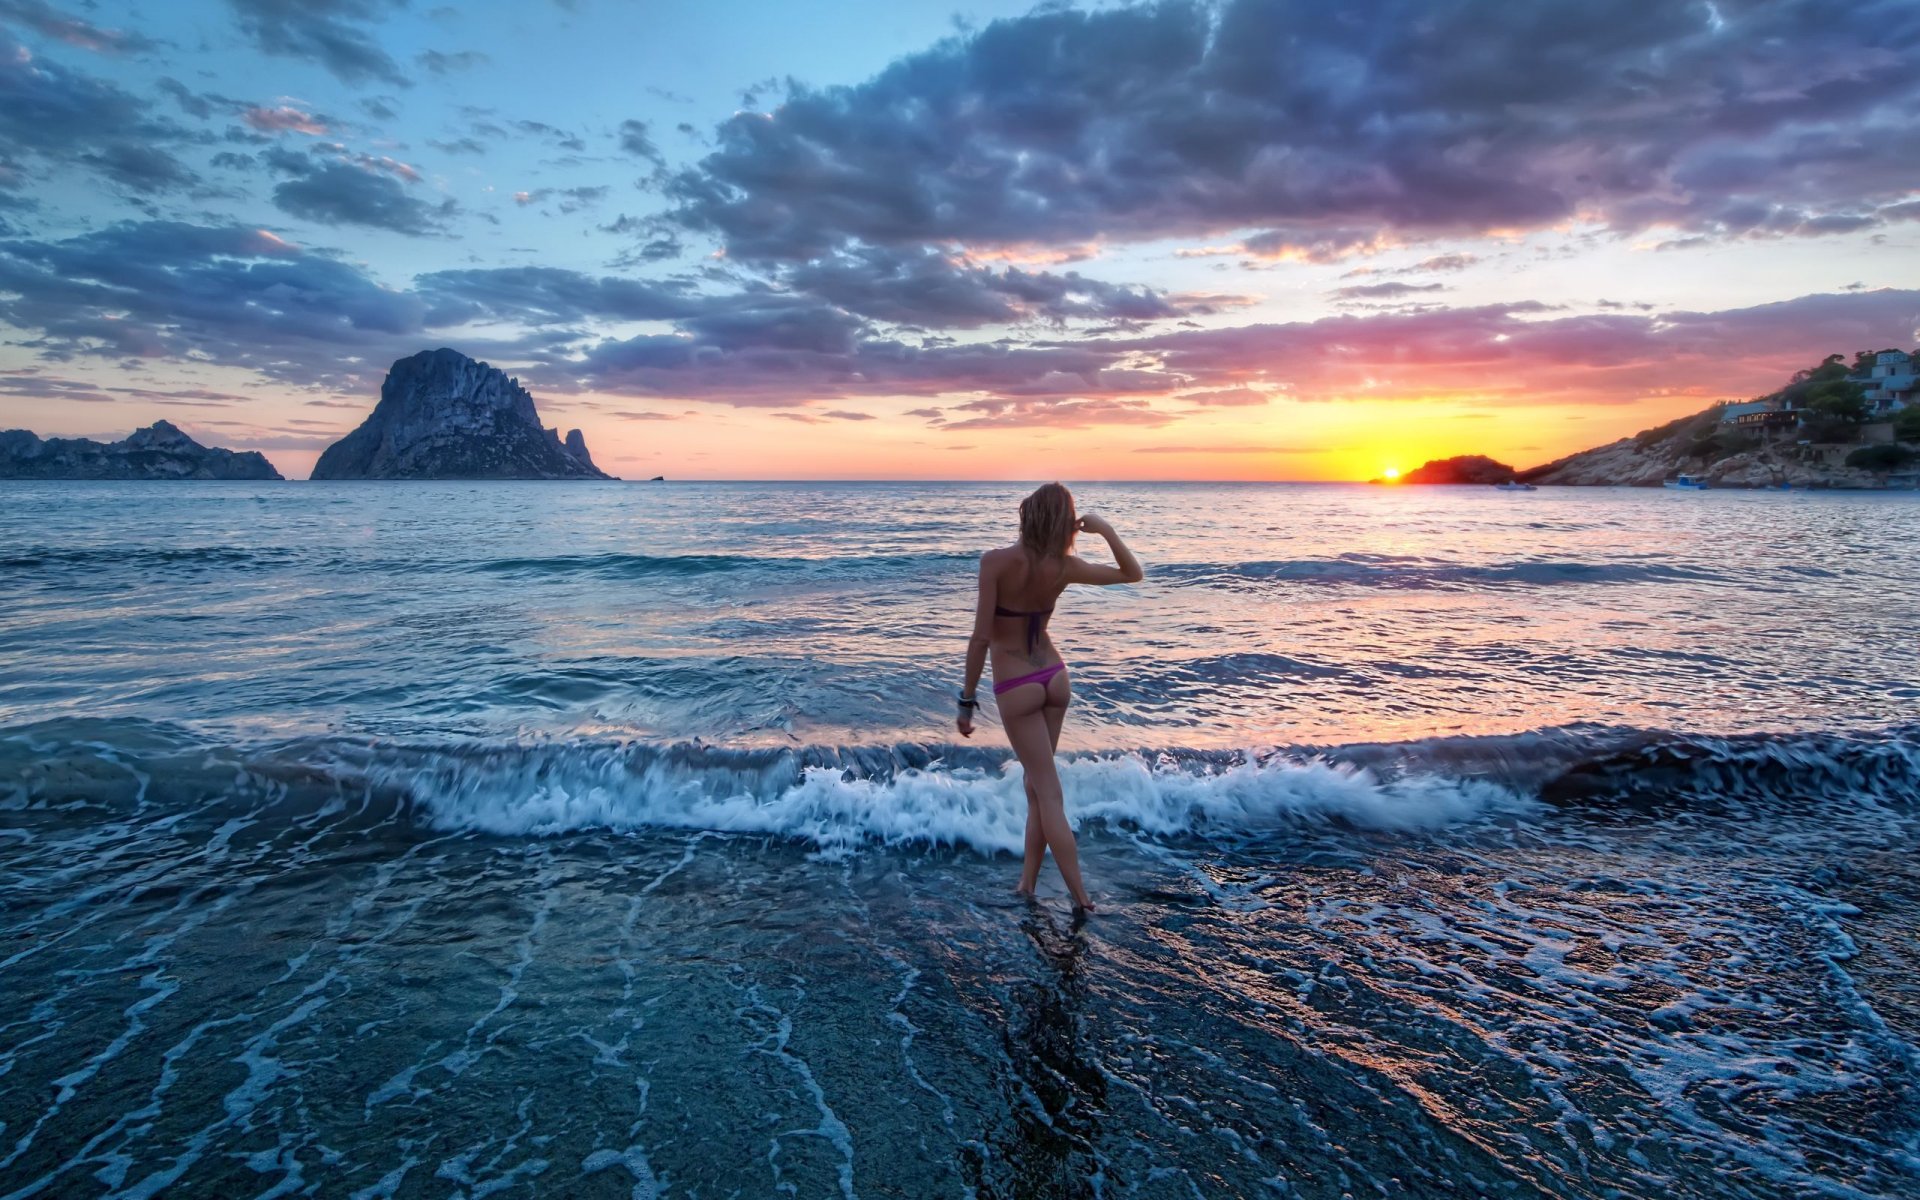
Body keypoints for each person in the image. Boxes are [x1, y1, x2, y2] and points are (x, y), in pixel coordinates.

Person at [956, 483, 1143, 913]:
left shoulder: (995, 563)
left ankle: (1082, 900)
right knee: (1036, 786)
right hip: (1055, 678)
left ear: (1027, 516)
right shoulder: (1064, 567)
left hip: (1016, 685)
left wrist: (966, 702)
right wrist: (1107, 531)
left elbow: (982, 639)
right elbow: (1132, 574)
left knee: (1048, 792)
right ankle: (1027, 883)